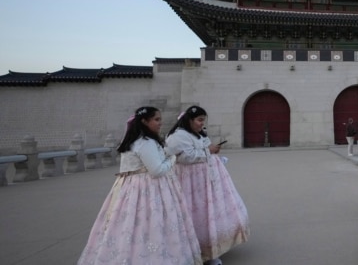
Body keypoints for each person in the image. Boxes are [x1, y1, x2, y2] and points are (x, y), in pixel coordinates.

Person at [78, 106, 202, 265]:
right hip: (148, 190)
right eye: (156, 119)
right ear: (144, 121)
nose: (160, 123)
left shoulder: (133, 141)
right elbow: (157, 170)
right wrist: (172, 159)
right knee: (151, 225)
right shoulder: (145, 142)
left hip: (130, 189)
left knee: (130, 226)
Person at [166, 106, 250, 265]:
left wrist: (214, 154)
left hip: (206, 182)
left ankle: (212, 251)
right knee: (197, 216)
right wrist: (208, 151)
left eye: (203, 120)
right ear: (189, 120)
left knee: (210, 215)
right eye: (199, 120)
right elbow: (182, 157)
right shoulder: (178, 136)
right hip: (191, 185)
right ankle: (197, 251)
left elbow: (203, 151)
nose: (201, 124)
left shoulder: (197, 134)